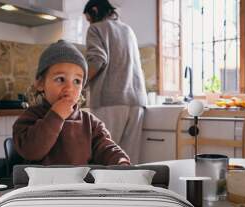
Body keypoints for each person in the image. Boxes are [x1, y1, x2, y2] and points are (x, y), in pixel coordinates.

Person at [13, 40, 130, 166]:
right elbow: (31, 151)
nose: (69, 88)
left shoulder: (91, 123)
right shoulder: (30, 117)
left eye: (77, 81)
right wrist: (55, 116)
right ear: (41, 83)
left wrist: (120, 161)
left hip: (80, 185)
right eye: (60, 79)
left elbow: (106, 148)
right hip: (43, 185)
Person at [83, 0, 147, 164]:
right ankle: (131, 190)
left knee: (104, 155)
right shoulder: (128, 29)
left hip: (111, 100)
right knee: (129, 159)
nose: (89, 22)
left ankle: (104, 191)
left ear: (95, 10)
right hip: (137, 101)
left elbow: (97, 60)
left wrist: (79, 83)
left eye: (88, 18)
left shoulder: (96, 28)